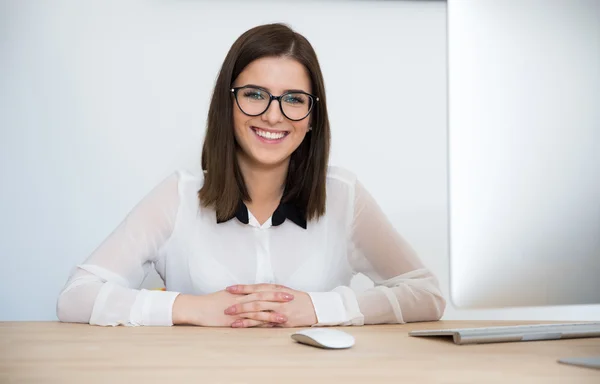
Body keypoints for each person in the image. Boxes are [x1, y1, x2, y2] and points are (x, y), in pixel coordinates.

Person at [56, 23, 446, 328]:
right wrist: (193, 309)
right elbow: (76, 296)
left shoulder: (343, 195)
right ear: (228, 103)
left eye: (294, 99)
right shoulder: (179, 194)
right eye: (255, 94)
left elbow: (426, 295)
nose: (274, 115)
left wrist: (316, 307)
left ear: (312, 118)